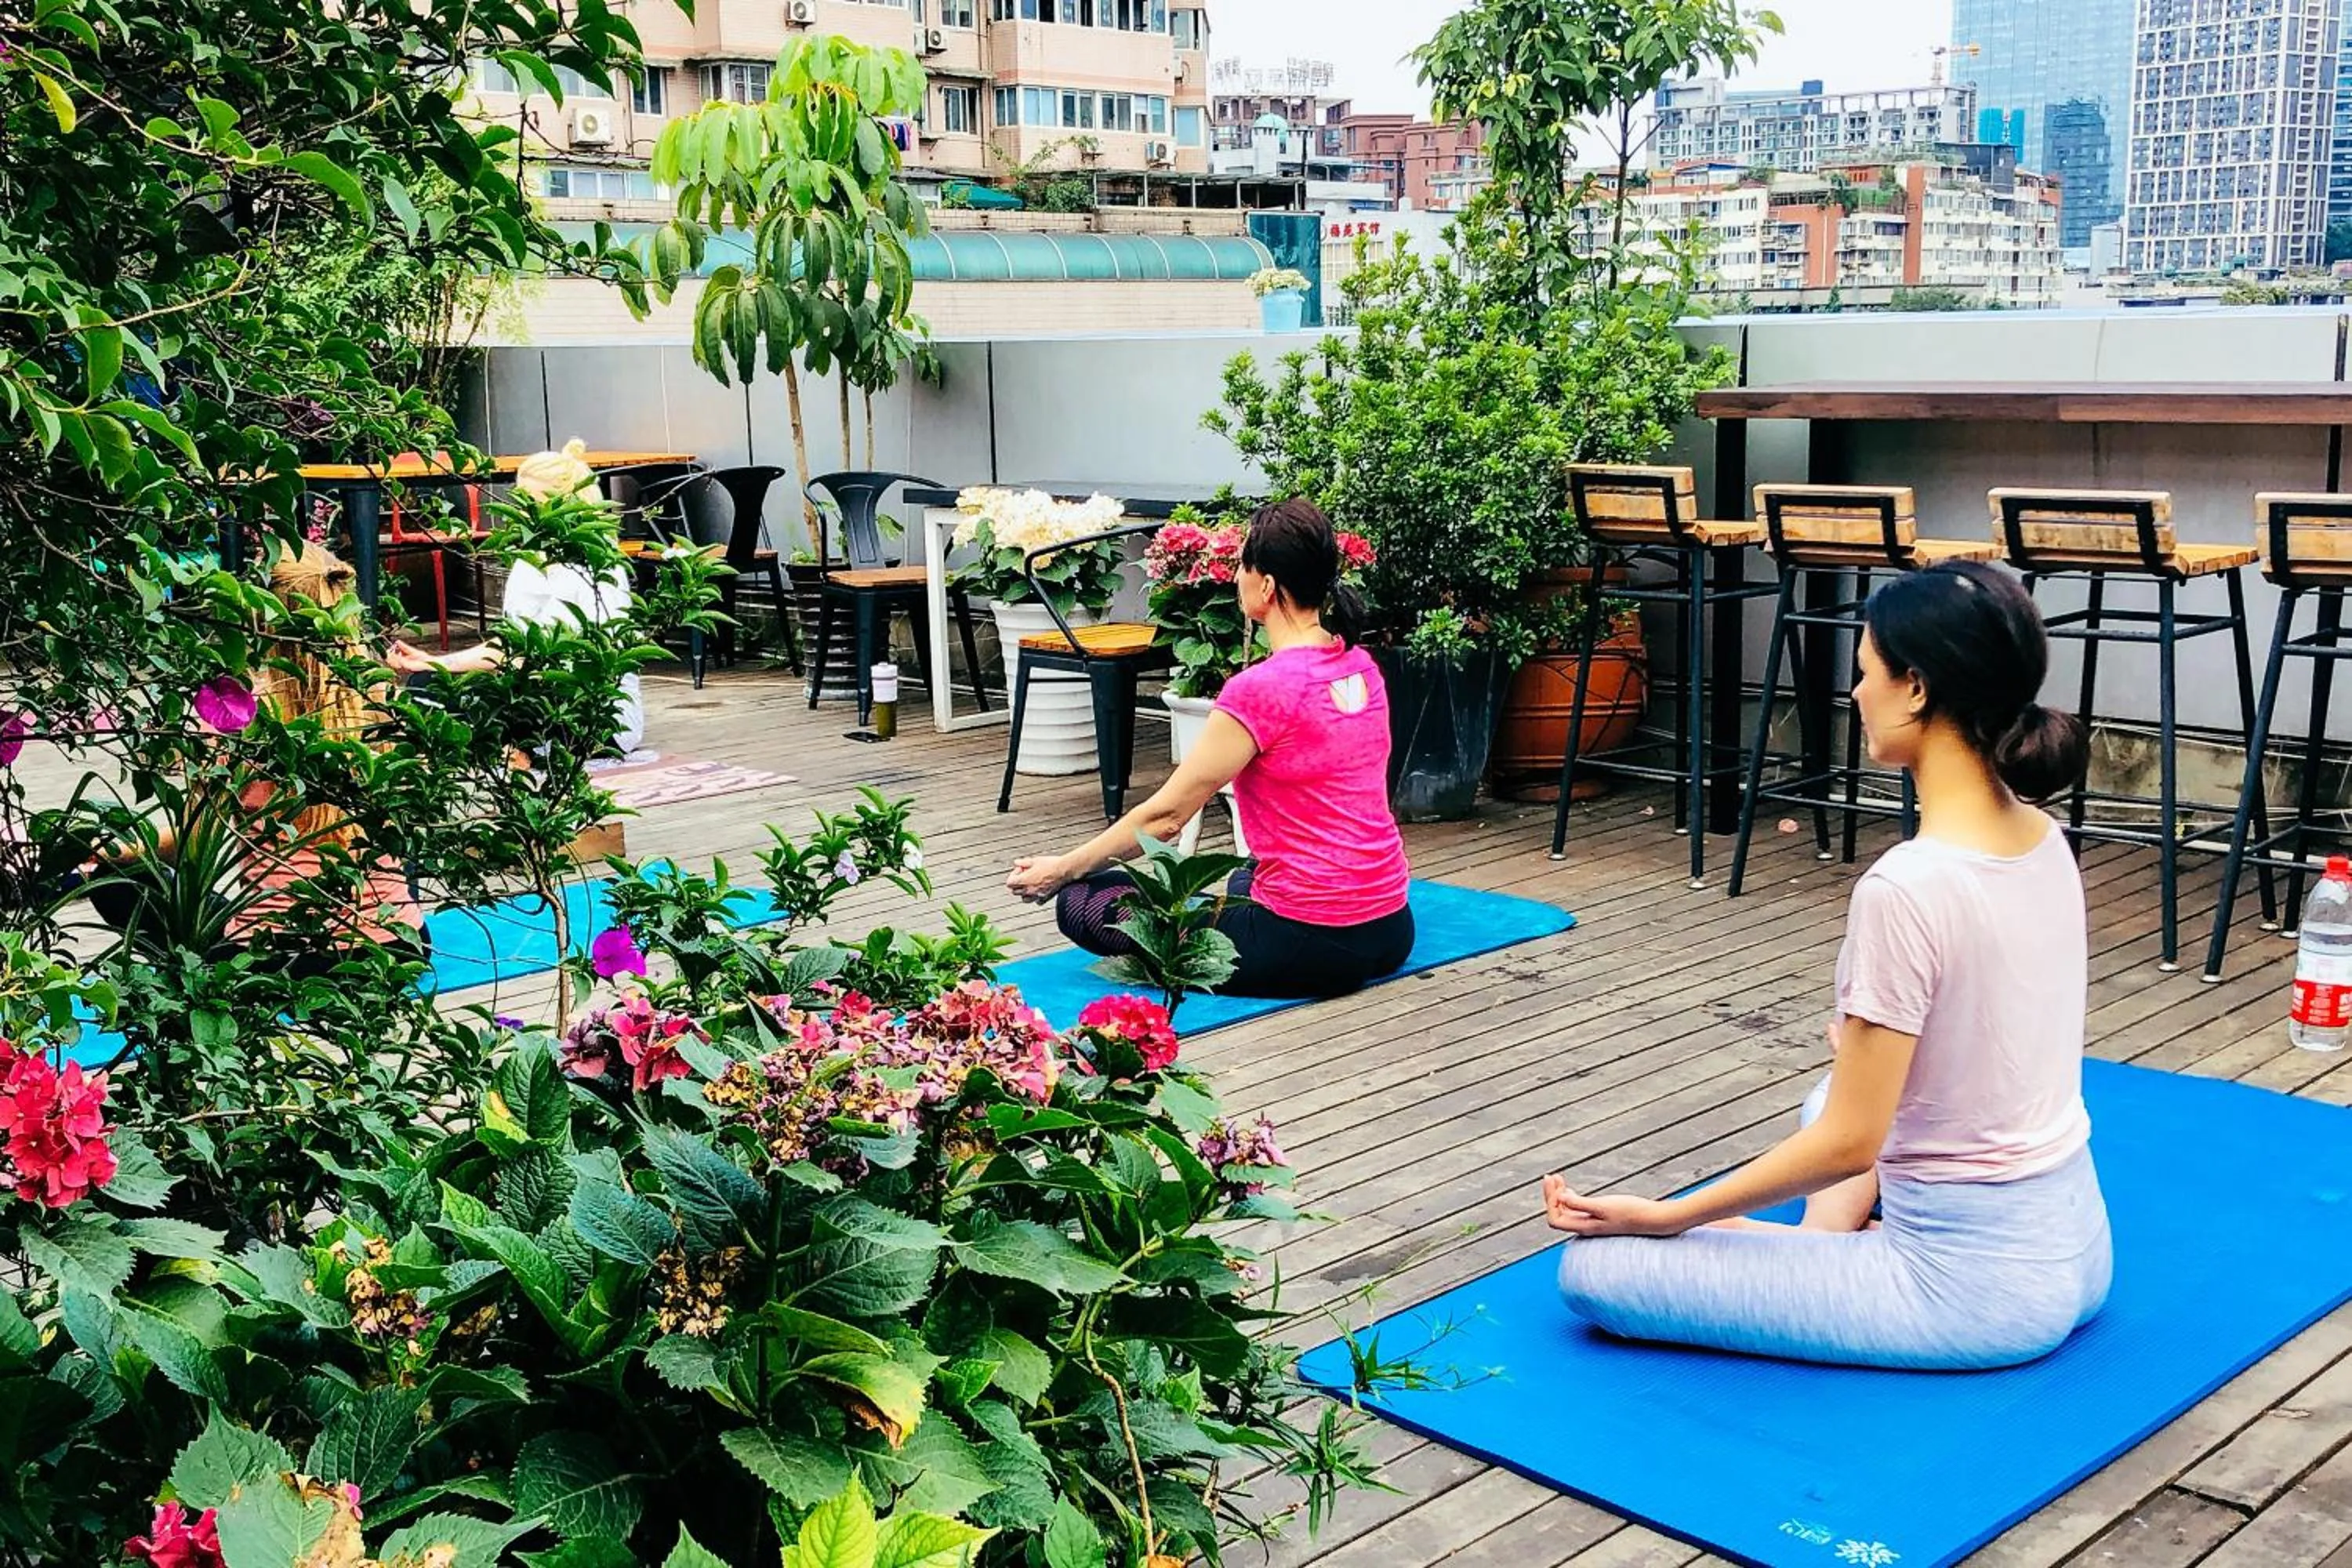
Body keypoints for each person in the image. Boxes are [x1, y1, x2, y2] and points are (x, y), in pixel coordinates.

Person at [1545, 561, 2110, 1370]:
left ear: (1914, 687)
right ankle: (1817, 1250)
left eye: (1865, 672)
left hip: (1972, 1293)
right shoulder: (2043, 839)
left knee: (1595, 1270)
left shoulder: (1906, 886)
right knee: (1827, 1091)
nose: (1855, 694)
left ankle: (1804, 1253)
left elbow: (1852, 1143)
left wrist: (1672, 1216)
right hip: (2077, 1245)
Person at [1005, 499, 1414, 999]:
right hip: (1390, 927)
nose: (1237, 576)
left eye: (1243, 564)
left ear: (1265, 584)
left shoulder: (1262, 689)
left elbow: (1167, 819)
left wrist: (1062, 869)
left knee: (1082, 901)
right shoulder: (1361, 666)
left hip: (1309, 942)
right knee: (1245, 880)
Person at [87, 544, 426, 973]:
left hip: (281, 958)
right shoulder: (383, 697)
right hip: (399, 948)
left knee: (110, 880)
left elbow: (195, 845)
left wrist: (113, 851)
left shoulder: (238, 714)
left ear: (258, 618)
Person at [387, 440, 647, 758]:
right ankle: (509, 747)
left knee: (452, 705)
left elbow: (534, 656)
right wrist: (432, 664)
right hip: (531, 690)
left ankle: (517, 748)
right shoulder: (529, 561)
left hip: (590, 711)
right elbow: (509, 646)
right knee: (425, 687)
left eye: (529, 502)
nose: (520, 512)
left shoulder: (595, 567)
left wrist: (438, 662)